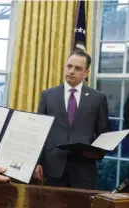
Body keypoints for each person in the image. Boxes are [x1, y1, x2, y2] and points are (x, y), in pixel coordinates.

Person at [34, 50, 109, 189]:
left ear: (86, 73)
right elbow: (39, 131)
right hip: (53, 168)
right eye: (69, 66)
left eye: (78, 68)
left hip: (84, 169)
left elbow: (103, 133)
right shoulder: (48, 95)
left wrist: (95, 154)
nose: (72, 71)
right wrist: (38, 162)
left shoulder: (98, 98)